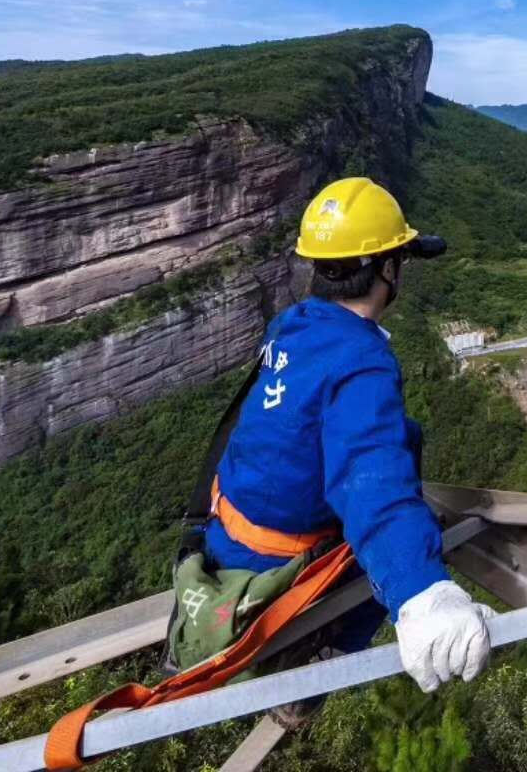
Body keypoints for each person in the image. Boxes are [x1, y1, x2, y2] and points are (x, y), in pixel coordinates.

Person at [203, 176, 494, 706]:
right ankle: (316, 666)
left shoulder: (291, 326)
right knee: (411, 524)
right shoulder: (362, 363)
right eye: (398, 260)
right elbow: (370, 479)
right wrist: (424, 595)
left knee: (406, 436)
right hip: (277, 573)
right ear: (387, 268)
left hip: (224, 533)